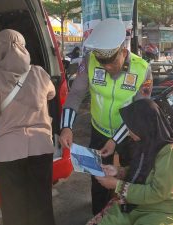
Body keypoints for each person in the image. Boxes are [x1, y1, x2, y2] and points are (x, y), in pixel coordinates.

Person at [59, 18, 153, 215]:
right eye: (104, 63)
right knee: (99, 178)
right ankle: (98, 216)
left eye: (112, 62)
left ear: (122, 49)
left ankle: (128, 215)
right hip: (99, 131)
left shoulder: (142, 69)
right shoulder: (89, 62)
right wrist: (66, 126)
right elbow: (75, 94)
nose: (108, 68)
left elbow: (140, 111)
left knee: (129, 177)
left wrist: (115, 140)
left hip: (129, 135)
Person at [0, 29, 56, 225]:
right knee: (42, 201)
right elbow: (51, 94)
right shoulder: (39, 72)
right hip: (41, 146)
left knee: (14, 205)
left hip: (8, 151)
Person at [86, 99, 173, 225]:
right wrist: (119, 171)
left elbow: (158, 192)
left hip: (162, 209)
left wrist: (117, 185)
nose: (128, 132)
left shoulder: (170, 153)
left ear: (143, 125)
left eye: (131, 128)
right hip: (134, 203)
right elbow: (144, 170)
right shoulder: (144, 142)